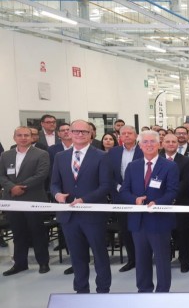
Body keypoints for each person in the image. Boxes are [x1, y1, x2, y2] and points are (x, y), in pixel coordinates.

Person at [51, 119, 113, 292]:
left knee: (100, 255)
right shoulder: (60, 157)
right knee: (77, 256)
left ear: (90, 134)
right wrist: (57, 194)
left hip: (93, 215)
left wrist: (84, 200)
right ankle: (81, 289)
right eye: (76, 131)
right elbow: (54, 183)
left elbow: (105, 186)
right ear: (69, 133)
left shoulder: (102, 156)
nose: (79, 134)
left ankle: (103, 289)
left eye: (84, 132)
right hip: (69, 216)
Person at [119, 130, 179, 293]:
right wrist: (135, 200)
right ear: (140, 145)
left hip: (159, 220)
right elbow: (124, 191)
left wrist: (157, 203)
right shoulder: (133, 166)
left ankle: (162, 292)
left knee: (162, 260)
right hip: (138, 222)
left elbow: (172, 191)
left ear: (159, 144)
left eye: (153, 141)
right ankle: (144, 290)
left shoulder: (170, 166)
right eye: (145, 142)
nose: (149, 145)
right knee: (141, 259)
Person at [0, 127, 51, 276]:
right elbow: (1, 175)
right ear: (14, 137)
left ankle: (43, 263)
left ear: (31, 137)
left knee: (37, 232)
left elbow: (41, 174)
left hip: (33, 198)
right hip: (12, 200)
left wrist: (20, 187)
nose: (23, 138)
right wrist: (12, 187)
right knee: (18, 233)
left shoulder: (42, 154)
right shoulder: (5, 155)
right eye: (20, 135)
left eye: (26, 135)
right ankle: (20, 264)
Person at [106, 125, 143, 272]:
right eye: (124, 133)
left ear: (136, 136)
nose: (127, 135)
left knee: (140, 230)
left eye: (130, 133)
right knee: (125, 230)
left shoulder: (143, 150)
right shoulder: (113, 152)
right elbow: (108, 174)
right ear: (119, 136)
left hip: (139, 196)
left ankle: (143, 259)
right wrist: (119, 188)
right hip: (119, 196)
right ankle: (132, 259)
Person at [160, 132, 189, 273]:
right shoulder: (157, 159)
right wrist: (163, 198)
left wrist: (171, 196)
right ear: (162, 143)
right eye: (167, 141)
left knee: (182, 234)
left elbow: (185, 182)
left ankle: (185, 261)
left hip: (180, 202)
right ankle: (165, 259)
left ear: (177, 144)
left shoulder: (186, 160)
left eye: (173, 142)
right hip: (160, 203)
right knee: (163, 233)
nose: (170, 144)